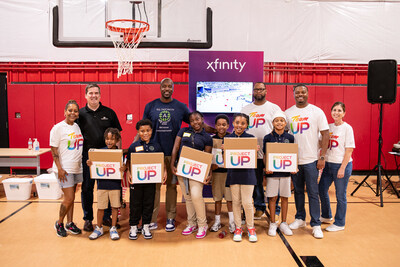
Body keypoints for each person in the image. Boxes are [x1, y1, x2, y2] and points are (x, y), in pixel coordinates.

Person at [142, 78, 214, 232]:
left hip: (173, 154)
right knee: (154, 187)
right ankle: (152, 219)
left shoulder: (180, 107)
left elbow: (197, 123)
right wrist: (133, 147)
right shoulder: (151, 106)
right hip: (154, 152)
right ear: (160, 88)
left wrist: (218, 132)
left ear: (173, 88)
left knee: (171, 187)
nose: (167, 89)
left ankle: (170, 218)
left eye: (170, 86)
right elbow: (143, 129)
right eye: (164, 86)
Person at [285, 84, 329, 239]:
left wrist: (322, 156)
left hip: (311, 160)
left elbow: (325, 135)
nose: (300, 94)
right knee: (297, 191)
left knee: (312, 192)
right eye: (297, 92)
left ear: (307, 93)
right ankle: (300, 218)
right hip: (294, 160)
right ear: (294, 94)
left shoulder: (317, 112)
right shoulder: (288, 113)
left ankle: (316, 224)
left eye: (303, 92)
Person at [78, 83, 122, 232]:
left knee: (108, 187)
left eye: (96, 93)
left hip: (108, 158)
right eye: (90, 93)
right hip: (88, 158)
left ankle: (106, 217)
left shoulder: (109, 113)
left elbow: (118, 136)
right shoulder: (80, 114)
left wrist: (118, 155)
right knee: (87, 188)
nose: (93, 95)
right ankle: (88, 219)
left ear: (100, 95)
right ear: (85, 95)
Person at [241, 82, 281, 220]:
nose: (259, 91)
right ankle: (259, 206)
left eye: (261, 89)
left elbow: (281, 126)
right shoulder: (246, 109)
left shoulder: (274, 108)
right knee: (256, 181)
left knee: (273, 181)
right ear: (253, 92)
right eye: (256, 89)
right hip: (252, 152)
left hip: (271, 151)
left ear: (266, 91)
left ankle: (275, 207)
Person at [170, 111, 213, 239]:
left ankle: (202, 224)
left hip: (197, 170)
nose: (195, 122)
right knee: (188, 197)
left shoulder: (207, 137)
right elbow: (175, 148)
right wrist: (172, 163)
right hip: (182, 168)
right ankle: (191, 223)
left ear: (202, 119)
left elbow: (207, 157)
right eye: (192, 120)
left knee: (195, 195)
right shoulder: (183, 131)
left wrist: (208, 173)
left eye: (197, 119)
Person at [126, 119, 167, 240]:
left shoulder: (156, 145)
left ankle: (146, 226)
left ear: (151, 131)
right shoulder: (134, 146)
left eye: (148, 130)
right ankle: (133, 226)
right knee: (135, 204)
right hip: (137, 181)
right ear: (138, 132)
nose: (145, 133)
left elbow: (161, 160)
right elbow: (128, 161)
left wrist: (164, 171)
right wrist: (128, 172)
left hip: (150, 181)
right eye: (142, 131)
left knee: (149, 203)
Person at [318, 102, 355, 232]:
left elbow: (349, 150)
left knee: (340, 195)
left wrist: (342, 168)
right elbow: (320, 143)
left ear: (344, 113)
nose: (336, 113)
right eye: (334, 110)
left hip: (341, 165)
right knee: (321, 189)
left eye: (339, 110)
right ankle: (327, 215)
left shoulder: (347, 128)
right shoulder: (328, 127)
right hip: (328, 165)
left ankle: (340, 223)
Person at [51, 100, 84, 237]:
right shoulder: (58, 128)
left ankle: (70, 223)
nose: (73, 113)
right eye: (70, 110)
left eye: (75, 111)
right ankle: (59, 223)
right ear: (65, 112)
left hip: (77, 167)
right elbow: (54, 150)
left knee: (72, 197)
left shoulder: (77, 126)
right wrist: (59, 168)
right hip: (64, 169)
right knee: (68, 198)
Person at [225, 113, 258, 243]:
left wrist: (255, 150)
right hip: (233, 174)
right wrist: (224, 150)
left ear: (246, 125)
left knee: (247, 203)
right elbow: (225, 160)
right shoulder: (228, 139)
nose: (239, 125)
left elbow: (253, 159)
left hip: (248, 174)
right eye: (237, 122)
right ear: (233, 123)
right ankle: (238, 228)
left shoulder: (251, 138)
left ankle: (251, 228)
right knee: (236, 202)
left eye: (243, 123)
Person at [263, 111, 296, 237]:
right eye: (276, 120)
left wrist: (293, 168)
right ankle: (272, 223)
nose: (279, 123)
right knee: (272, 197)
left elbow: (292, 155)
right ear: (273, 123)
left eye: (281, 120)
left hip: (286, 173)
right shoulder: (268, 137)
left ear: (285, 123)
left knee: (285, 197)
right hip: (272, 172)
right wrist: (266, 168)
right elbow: (266, 155)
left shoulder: (290, 138)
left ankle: (283, 223)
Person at [87, 128, 124, 240]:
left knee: (114, 207)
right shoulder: (100, 152)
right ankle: (99, 228)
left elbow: (125, 166)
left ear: (117, 140)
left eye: (112, 139)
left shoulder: (120, 153)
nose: (109, 141)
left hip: (115, 185)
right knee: (101, 207)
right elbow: (93, 164)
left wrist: (124, 167)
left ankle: (113, 228)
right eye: (107, 139)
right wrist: (89, 163)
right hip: (102, 185)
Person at [209, 114, 235, 233]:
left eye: (224, 125)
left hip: (229, 174)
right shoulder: (211, 139)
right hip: (217, 174)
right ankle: (217, 221)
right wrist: (210, 166)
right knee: (217, 199)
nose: (221, 127)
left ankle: (232, 222)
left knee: (230, 199)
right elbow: (208, 156)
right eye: (219, 124)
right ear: (215, 126)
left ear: (228, 126)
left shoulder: (232, 138)